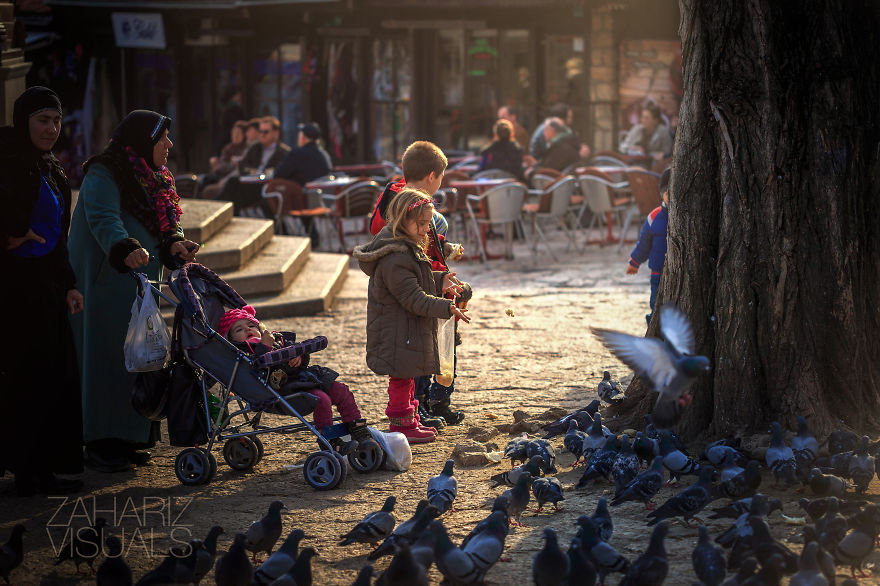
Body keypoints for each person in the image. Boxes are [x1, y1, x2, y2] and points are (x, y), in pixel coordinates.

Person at [69, 110, 200, 473]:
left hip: (139, 284)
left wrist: (174, 244)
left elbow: (166, 223)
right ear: (143, 141)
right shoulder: (105, 171)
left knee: (141, 359)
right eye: (162, 138)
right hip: (105, 285)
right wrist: (123, 246)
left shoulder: (155, 177)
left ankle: (130, 438)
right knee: (109, 360)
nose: (169, 144)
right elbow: (103, 217)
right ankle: (102, 442)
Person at [0, 86, 85, 496]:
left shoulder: (52, 166)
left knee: (53, 376)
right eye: (42, 120)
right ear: (24, 121)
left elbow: (59, 233)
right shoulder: (8, 161)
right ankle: (27, 471)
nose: (51, 128)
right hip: (14, 291)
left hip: (47, 287)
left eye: (56, 120)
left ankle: (45, 466)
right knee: (25, 378)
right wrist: (10, 235)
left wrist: (68, 284)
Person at [352, 188, 470, 444]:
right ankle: (402, 426)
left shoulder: (407, 248)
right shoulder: (395, 257)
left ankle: (411, 421)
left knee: (407, 378)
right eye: (421, 224)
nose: (426, 230)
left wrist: (440, 280)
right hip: (397, 330)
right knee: (401, 380)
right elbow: (413, 297)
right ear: (402, 220)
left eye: (428, 224)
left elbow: (416, 280)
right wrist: (446, 307)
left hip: (404, 328)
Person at [367, 140, 468, 428]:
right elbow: (415, 252)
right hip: (418, 289)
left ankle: (429, 406)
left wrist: (444, 252)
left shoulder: (394, 196)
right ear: (432, 176)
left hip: (428, 281)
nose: (425, 229)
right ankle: (420, 408)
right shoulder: (411, 206)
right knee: (422, 352)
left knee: (435, 347)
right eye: (442, 177)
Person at [217, 305, 371, 451]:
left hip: (305, 378)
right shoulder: (243, 354)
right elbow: (256, 370)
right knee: (321, 399)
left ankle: (358, 430)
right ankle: (329, 441)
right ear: (232, 340)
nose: (247, 329)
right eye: (239, 329)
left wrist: (300, 356)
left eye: (251, 325)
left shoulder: (276, 338)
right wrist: (264, 347)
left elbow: (294, 348)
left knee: (340, 389)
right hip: (283, 389)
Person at [216, 116, 291, 215]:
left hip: (267, 187)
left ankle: (218, 210)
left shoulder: (284, 152)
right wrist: (253, 171)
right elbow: (243, 165)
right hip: (251, 182)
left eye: (266, 132)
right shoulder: (255, 148)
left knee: (234, 188)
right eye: (260, 132)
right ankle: (219, 210)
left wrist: (265, 174)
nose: (262, 135)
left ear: (276, 133)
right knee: (233, 184)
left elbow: (281, 173)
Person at [626, 167, 670, 325]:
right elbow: (644, 244)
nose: (671, 197)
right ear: (662, 194)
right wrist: (634, 262)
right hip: (658, 271)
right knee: (656, 302)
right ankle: (653, 323)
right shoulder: (654, 217)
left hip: (679, 271)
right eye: (668, 194)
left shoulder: (687, 216)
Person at [204, 120, 248, 187]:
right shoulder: (228, 148)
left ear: (244, 135)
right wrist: (231, 164)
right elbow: (222, 165)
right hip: (222, 176)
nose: (235, 135)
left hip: (236, 179)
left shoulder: (247, 148)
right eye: (233, 132)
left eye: (238, 133)